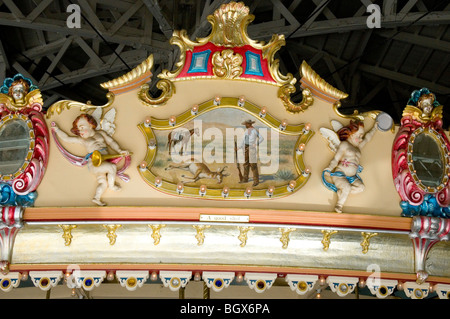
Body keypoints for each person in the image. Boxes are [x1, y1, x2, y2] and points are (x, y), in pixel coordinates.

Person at [52, 114, 129, 206]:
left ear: (90, 125)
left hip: (105, 160)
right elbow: (67, 138)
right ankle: (112, 186)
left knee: (103, 182)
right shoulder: (82, 140)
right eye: (79, 129)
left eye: (82, 127)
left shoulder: (101, 133)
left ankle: (97, 198)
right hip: (94, 163)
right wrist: (56, 129)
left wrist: (120, 150)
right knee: (112, 167)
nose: (80, 131)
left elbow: (111, 142)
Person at [323, 120, 376, 213]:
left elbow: (367, 138)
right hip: (340, 174)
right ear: (351, 134)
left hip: (352, 177)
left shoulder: (358, 147)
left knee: (361, 187)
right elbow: (336, 159)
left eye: (361, 136)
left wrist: (375, 128)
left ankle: (342, 192)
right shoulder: (345, 145)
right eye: (358, 136)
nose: (361, 139)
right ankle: (339, 205)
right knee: (347, 187)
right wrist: (329, 169)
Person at [237, 119, 264, 186]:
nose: (245, 125)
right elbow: (243, 140)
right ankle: (245, 179)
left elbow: (261, 138)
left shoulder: (254, 131)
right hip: (245, 148)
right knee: (246, 164)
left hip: (251, 148)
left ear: (249, 124)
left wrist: (256, 144)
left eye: (246, 124)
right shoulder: (246, 131)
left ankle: (256, 181)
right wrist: (239, 147)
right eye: (245, 124)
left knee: (253, 165)